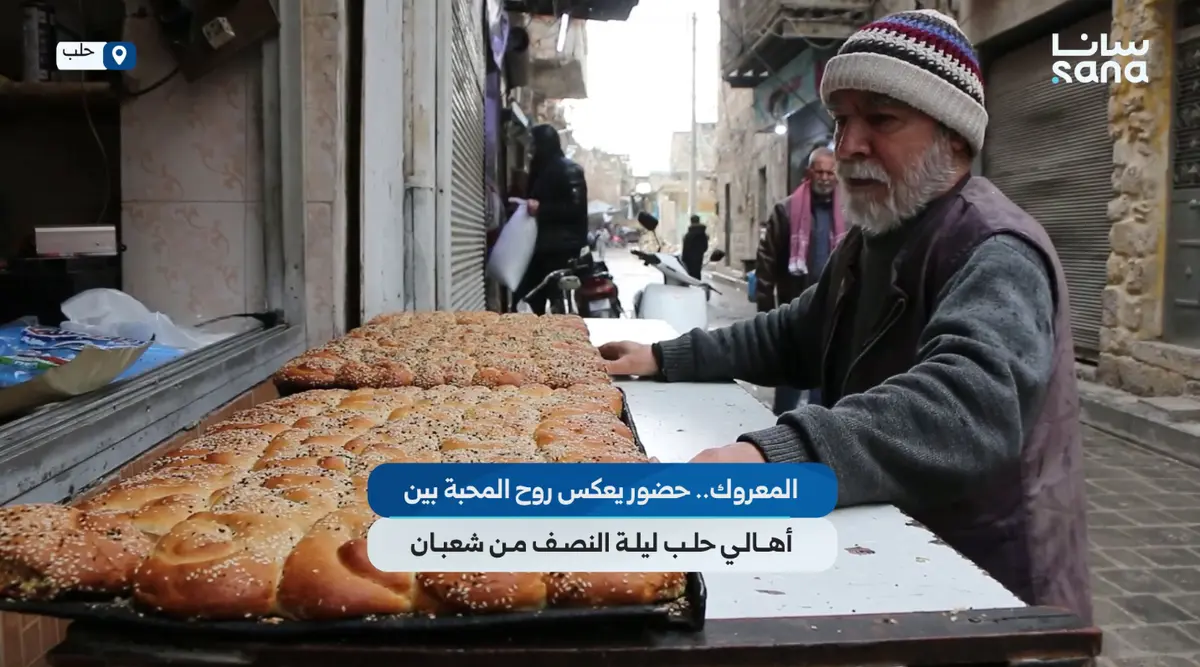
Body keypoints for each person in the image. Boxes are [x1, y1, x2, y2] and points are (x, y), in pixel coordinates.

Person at [598, 9, 1090, 622]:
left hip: (990, 587)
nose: (849, 144)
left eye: (881, 119)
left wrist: (783, 453)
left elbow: (967, 408)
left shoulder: (995, 249)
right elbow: (797, 330)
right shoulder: (872, 239)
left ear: (955, 138)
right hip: (897, 560)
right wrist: (666, 356)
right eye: (842, 120)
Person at [757, 146, 843, 414]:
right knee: (789, 383)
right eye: (820, 172)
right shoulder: (785, 211)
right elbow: (766, 261)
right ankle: (778, 438)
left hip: (835, 313)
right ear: (809, 173)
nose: (826, 177)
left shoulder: (850, 212)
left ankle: (818, 436)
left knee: (826, 384)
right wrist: (766, 311)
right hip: (793, 312)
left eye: (831, 172)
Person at [515, 124, 589, 315]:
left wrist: (542, 209)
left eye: (534, 145)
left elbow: (575, 209)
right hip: (541, 248)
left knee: (555, 301)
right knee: (529, 298)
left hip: (561, 251)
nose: (531, 150)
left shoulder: (568, 170)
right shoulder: (540, 171)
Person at [681, 215, 709, 280]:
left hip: (689, 260)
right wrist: (699, 252)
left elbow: (685, 249)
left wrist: (684, 260)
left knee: (690, 276)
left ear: (691, 221)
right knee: (697, 274)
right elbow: (705, 247)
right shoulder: (703, 234)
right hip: (699, 257)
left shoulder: (688, 235)